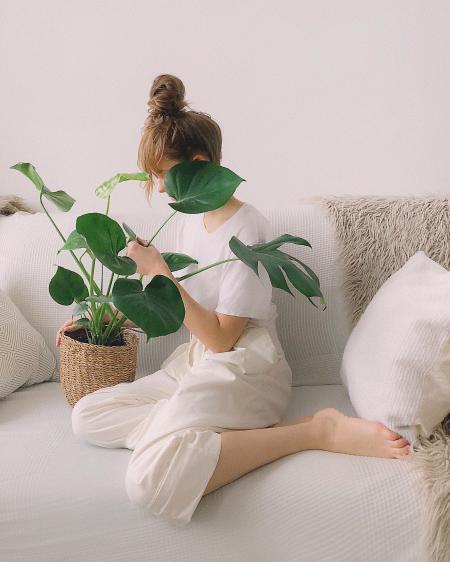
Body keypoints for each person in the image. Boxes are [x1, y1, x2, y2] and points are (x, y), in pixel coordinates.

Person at [56, 74, 411, 527]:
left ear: (200, 162)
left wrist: (162, 273)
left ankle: (314, 431)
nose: (159, 189)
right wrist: (92, 321)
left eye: (162, 174)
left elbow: (223, 339)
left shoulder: (247, 229)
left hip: (245, 369)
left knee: (148, 481)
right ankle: (189, 429)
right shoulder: (188, 220)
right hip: (195, 365)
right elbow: (169, 311)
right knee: (87, 415)